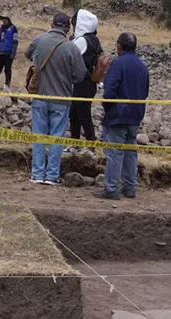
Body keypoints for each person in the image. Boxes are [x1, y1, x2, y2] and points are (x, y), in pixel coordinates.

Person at [24, 12, 84, 185]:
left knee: (39, 136)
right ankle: (51, 175)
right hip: (61, 99)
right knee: (56, 137)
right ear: (67, 28)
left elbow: (28, 54)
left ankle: (36, 173)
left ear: (51, 24)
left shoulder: (39, 39)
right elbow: (79, 76)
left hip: (40, 96)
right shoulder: (71, 47)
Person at [94, 31, 148, 201]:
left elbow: (110, 90)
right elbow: (145, 92)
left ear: (119, 46)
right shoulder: (142, 66)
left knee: (115, 152)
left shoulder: (117, 64)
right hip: (136, 113)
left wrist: (107, 107)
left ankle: (111, 188)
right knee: (130, 151)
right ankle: (130, 187)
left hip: (118, 114)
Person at [69, 7, 100, 141]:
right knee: (74, 114)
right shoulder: (94, 39)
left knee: (83, 116)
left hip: (82, 83)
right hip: (89, 84)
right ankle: (76, 144)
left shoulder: (82, 40)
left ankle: (91, 145)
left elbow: (69, 54)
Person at [0, 12, 16, 87]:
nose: (3, 20)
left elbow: (15, 42)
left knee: (7, 69)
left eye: (5, 19)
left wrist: (13, 53)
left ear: (8, 19)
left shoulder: (13, 28)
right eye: (2, 19)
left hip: (8, 53)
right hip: (1, 52)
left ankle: (7, 84)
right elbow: (0, 39)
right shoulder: (1, 28)